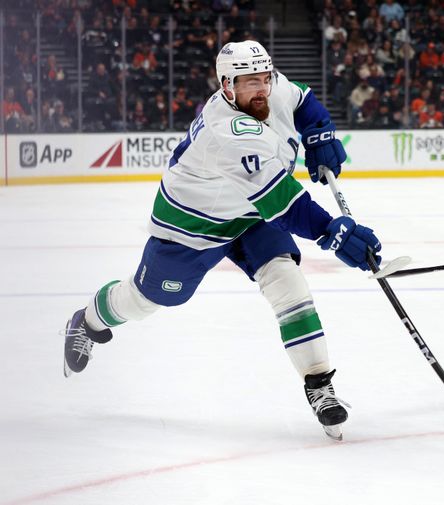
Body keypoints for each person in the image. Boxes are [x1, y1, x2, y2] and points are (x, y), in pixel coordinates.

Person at [61, 40, 377, 441]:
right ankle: (88, 320)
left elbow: (302, 101)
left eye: (264, 77)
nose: (262, 88)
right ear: (227, 86)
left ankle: (319, 385)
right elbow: (282, 201)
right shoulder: (228, 129)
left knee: (286, 281)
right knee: (149, 299)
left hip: (249, 215)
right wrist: (333, 232)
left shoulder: (271, 87)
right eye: (250, 82)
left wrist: (319, 132)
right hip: (193, 224)